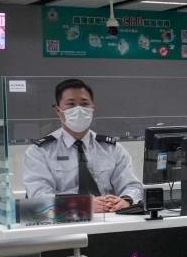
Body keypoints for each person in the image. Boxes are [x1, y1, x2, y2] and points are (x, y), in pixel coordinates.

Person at [23, 78, 144, 212]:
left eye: (84, 103)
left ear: (93, 108)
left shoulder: (112, 148)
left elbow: (132, 186)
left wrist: (126, 200)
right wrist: (82, 205)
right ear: (58, 111)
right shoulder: (40, 151)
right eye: (71, 104)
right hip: (64, 224)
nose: (79, 109)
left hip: (110, 220)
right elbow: (39, 196)